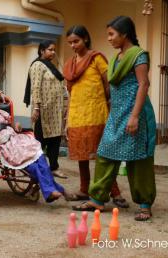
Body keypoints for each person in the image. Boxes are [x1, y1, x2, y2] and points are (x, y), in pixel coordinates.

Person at [84, 16, 156, 221]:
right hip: (117, 115)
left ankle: (144, 204)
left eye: (112, 34)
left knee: (138, 159)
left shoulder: (138, 55)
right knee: (105, 153)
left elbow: (144, 85)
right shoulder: (116, 58)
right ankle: (97, 199)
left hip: (135, 114)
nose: (109, 38)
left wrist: (134, 117)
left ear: (124, 34)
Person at [0, 84, 72, 203]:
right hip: (1, 143)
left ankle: (52, 190)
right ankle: (57, 190)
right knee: (33, 164)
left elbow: (13, 125)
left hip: (16, 139)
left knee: (40, 156)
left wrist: (17, 125)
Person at [63, 25, 128, 207]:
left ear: (85, 39)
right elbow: (71, 92)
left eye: (76, 41)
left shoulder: (96, 58)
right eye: (70, 43)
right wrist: (67, 119)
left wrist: (107, 105)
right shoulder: (70, 64)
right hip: (76, 115)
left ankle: (114, 192)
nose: (74, 45)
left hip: (96, 114)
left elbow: (110, 85)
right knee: (82, 156)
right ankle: (84, 189)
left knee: (103, 155)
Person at [24, 40, 68, 179]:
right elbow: (35, 87)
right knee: (40, 141)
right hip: (43, 110)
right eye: (50, 49)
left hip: (55, 110)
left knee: (55, 139)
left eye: (54, 50)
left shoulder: (52, 66)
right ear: (42, 50)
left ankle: (54, 167)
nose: (53, 52)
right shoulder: (38, 65)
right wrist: (36, 107)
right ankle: (34, 167)